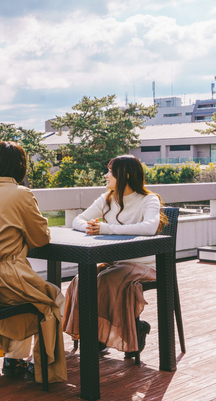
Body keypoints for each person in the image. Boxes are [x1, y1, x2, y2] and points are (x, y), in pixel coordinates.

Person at [0, 141, 67, 384]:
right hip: (9, 278)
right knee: (54, 299)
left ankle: (13, 358)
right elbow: (41, 239)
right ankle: (39, 363)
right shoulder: (21, 194)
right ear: (21, 167)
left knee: (30, 297)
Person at [62, 154, 166, 360]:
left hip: (143, 264)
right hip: (116, 261)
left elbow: (150, 227)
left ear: (124, 175)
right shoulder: (107, 198)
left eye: (110, 171)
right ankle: (99, 334)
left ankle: (116, 334)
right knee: (81, 281)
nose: (106, 175)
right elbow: (77, 220)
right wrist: (92, 228)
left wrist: (106, 228)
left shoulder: (149, 199)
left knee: (105, 281)